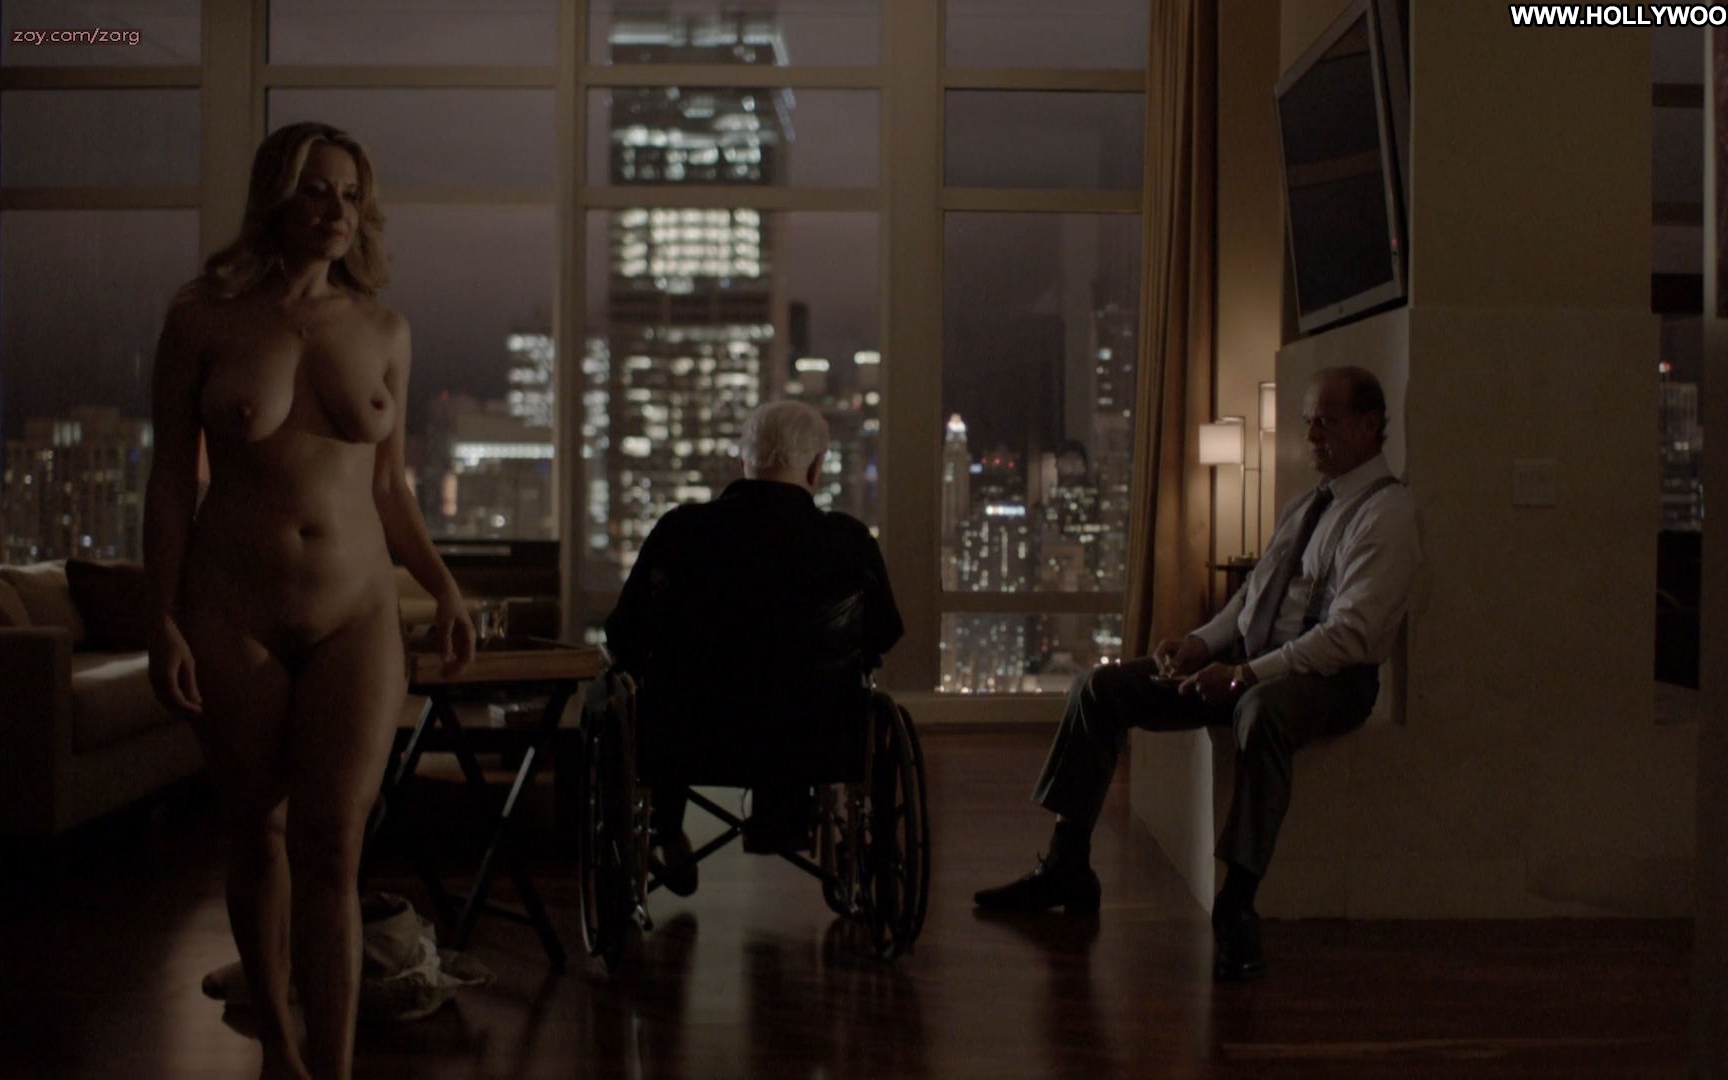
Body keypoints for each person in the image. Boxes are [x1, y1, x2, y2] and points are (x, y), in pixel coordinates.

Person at [143, 122, 476, 1079]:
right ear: (276, 198)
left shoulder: (383, 330)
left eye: (351, 194)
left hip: (356, 614)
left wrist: (443, 585)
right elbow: (169, 483)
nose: (338, 211)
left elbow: (391, 488)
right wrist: (161, 616)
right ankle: (280, 1054)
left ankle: (332, 1069)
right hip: (231, 611)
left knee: (335, 843)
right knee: (259, 831)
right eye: (318, 190)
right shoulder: (202, 320)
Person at [974, 366, 1419, 982]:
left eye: (1328, 421)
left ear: (1370, 425)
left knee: (1260, 712)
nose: (1312, 434)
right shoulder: (1307, 504)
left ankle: (1238, 902)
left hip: (1332, 680)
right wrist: (1199, 645)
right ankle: (1066, 864)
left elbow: (1348, 637)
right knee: (1100, 688)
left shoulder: (1387, 514)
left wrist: (1243, 676)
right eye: (1309, 421)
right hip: (1253, 664)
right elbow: (1251, 598)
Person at [604, 400, 904, 894]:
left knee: (642, 687)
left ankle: (664, 828)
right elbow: (883, 634)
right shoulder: (848, 542)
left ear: (743, 461)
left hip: (689, 737)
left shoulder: (680, 531)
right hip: (816, 739)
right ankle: (796, 827)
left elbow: (625, 636)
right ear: (816, 467)